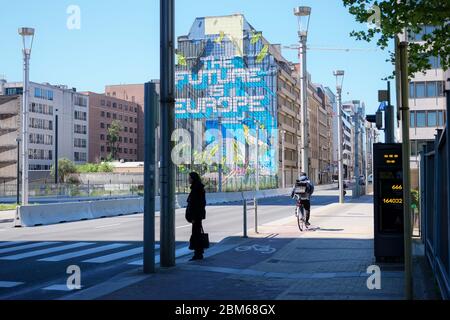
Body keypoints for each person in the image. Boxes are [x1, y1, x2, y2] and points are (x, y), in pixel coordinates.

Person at [185, 172, 207, 261]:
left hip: (196, 216)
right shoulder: (198, 187)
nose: (188, 179)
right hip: (198, 215)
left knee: (196, 234)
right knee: (197, 233)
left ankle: (198, 254)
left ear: (193, 179)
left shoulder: (196, 189)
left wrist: (194, 217)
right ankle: (199, 252)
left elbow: (196, 204)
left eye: (189, 178)